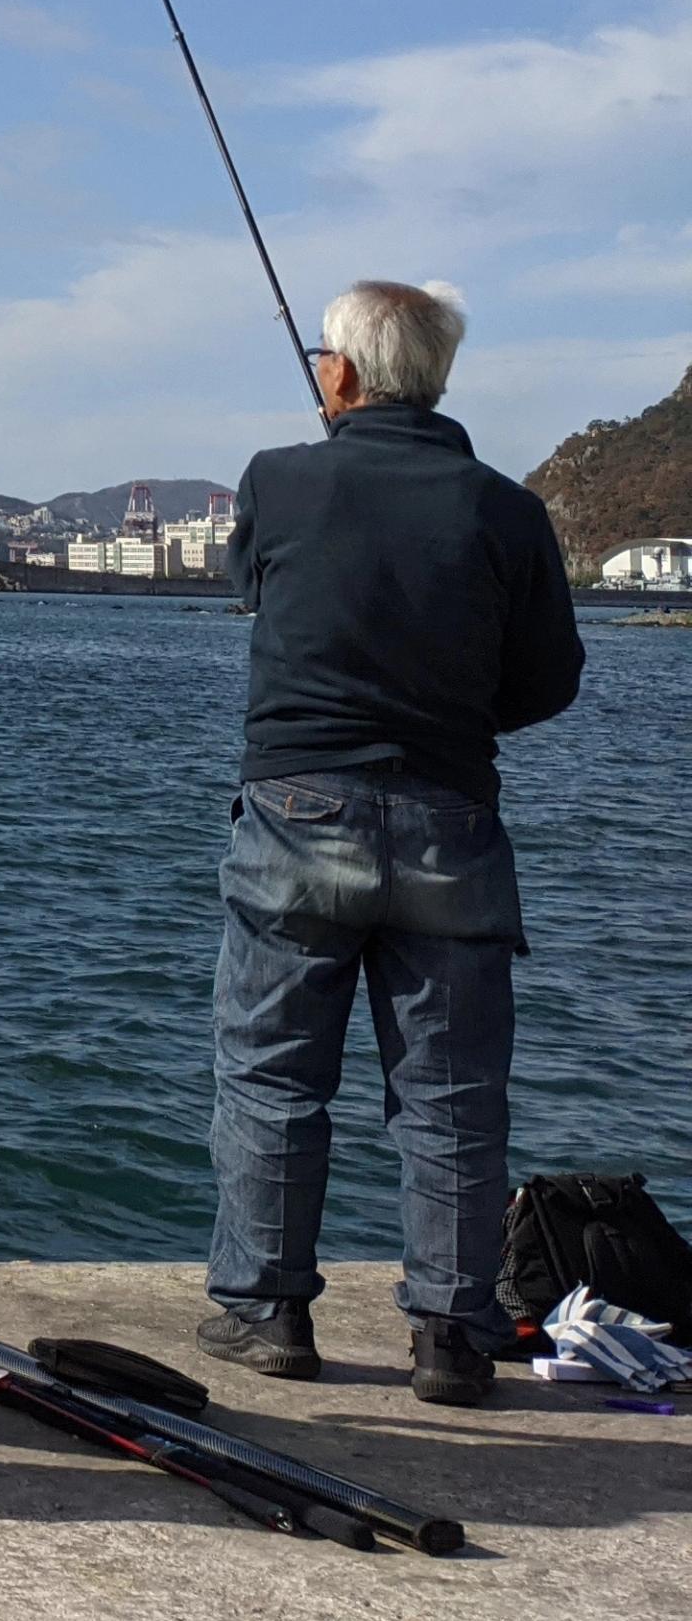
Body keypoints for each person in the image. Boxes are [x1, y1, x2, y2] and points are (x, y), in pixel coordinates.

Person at [202, 281, 582, 1408]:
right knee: (454, 1096)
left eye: (327, 355)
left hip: (296, 810)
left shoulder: (280, 477)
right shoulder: (508, 511)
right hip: (451, 820)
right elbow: (550, 679)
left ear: (346, 377)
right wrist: (456, 718)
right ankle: (453, 1339)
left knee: (271, 1077)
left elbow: (250, 590)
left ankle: (269, 1313)